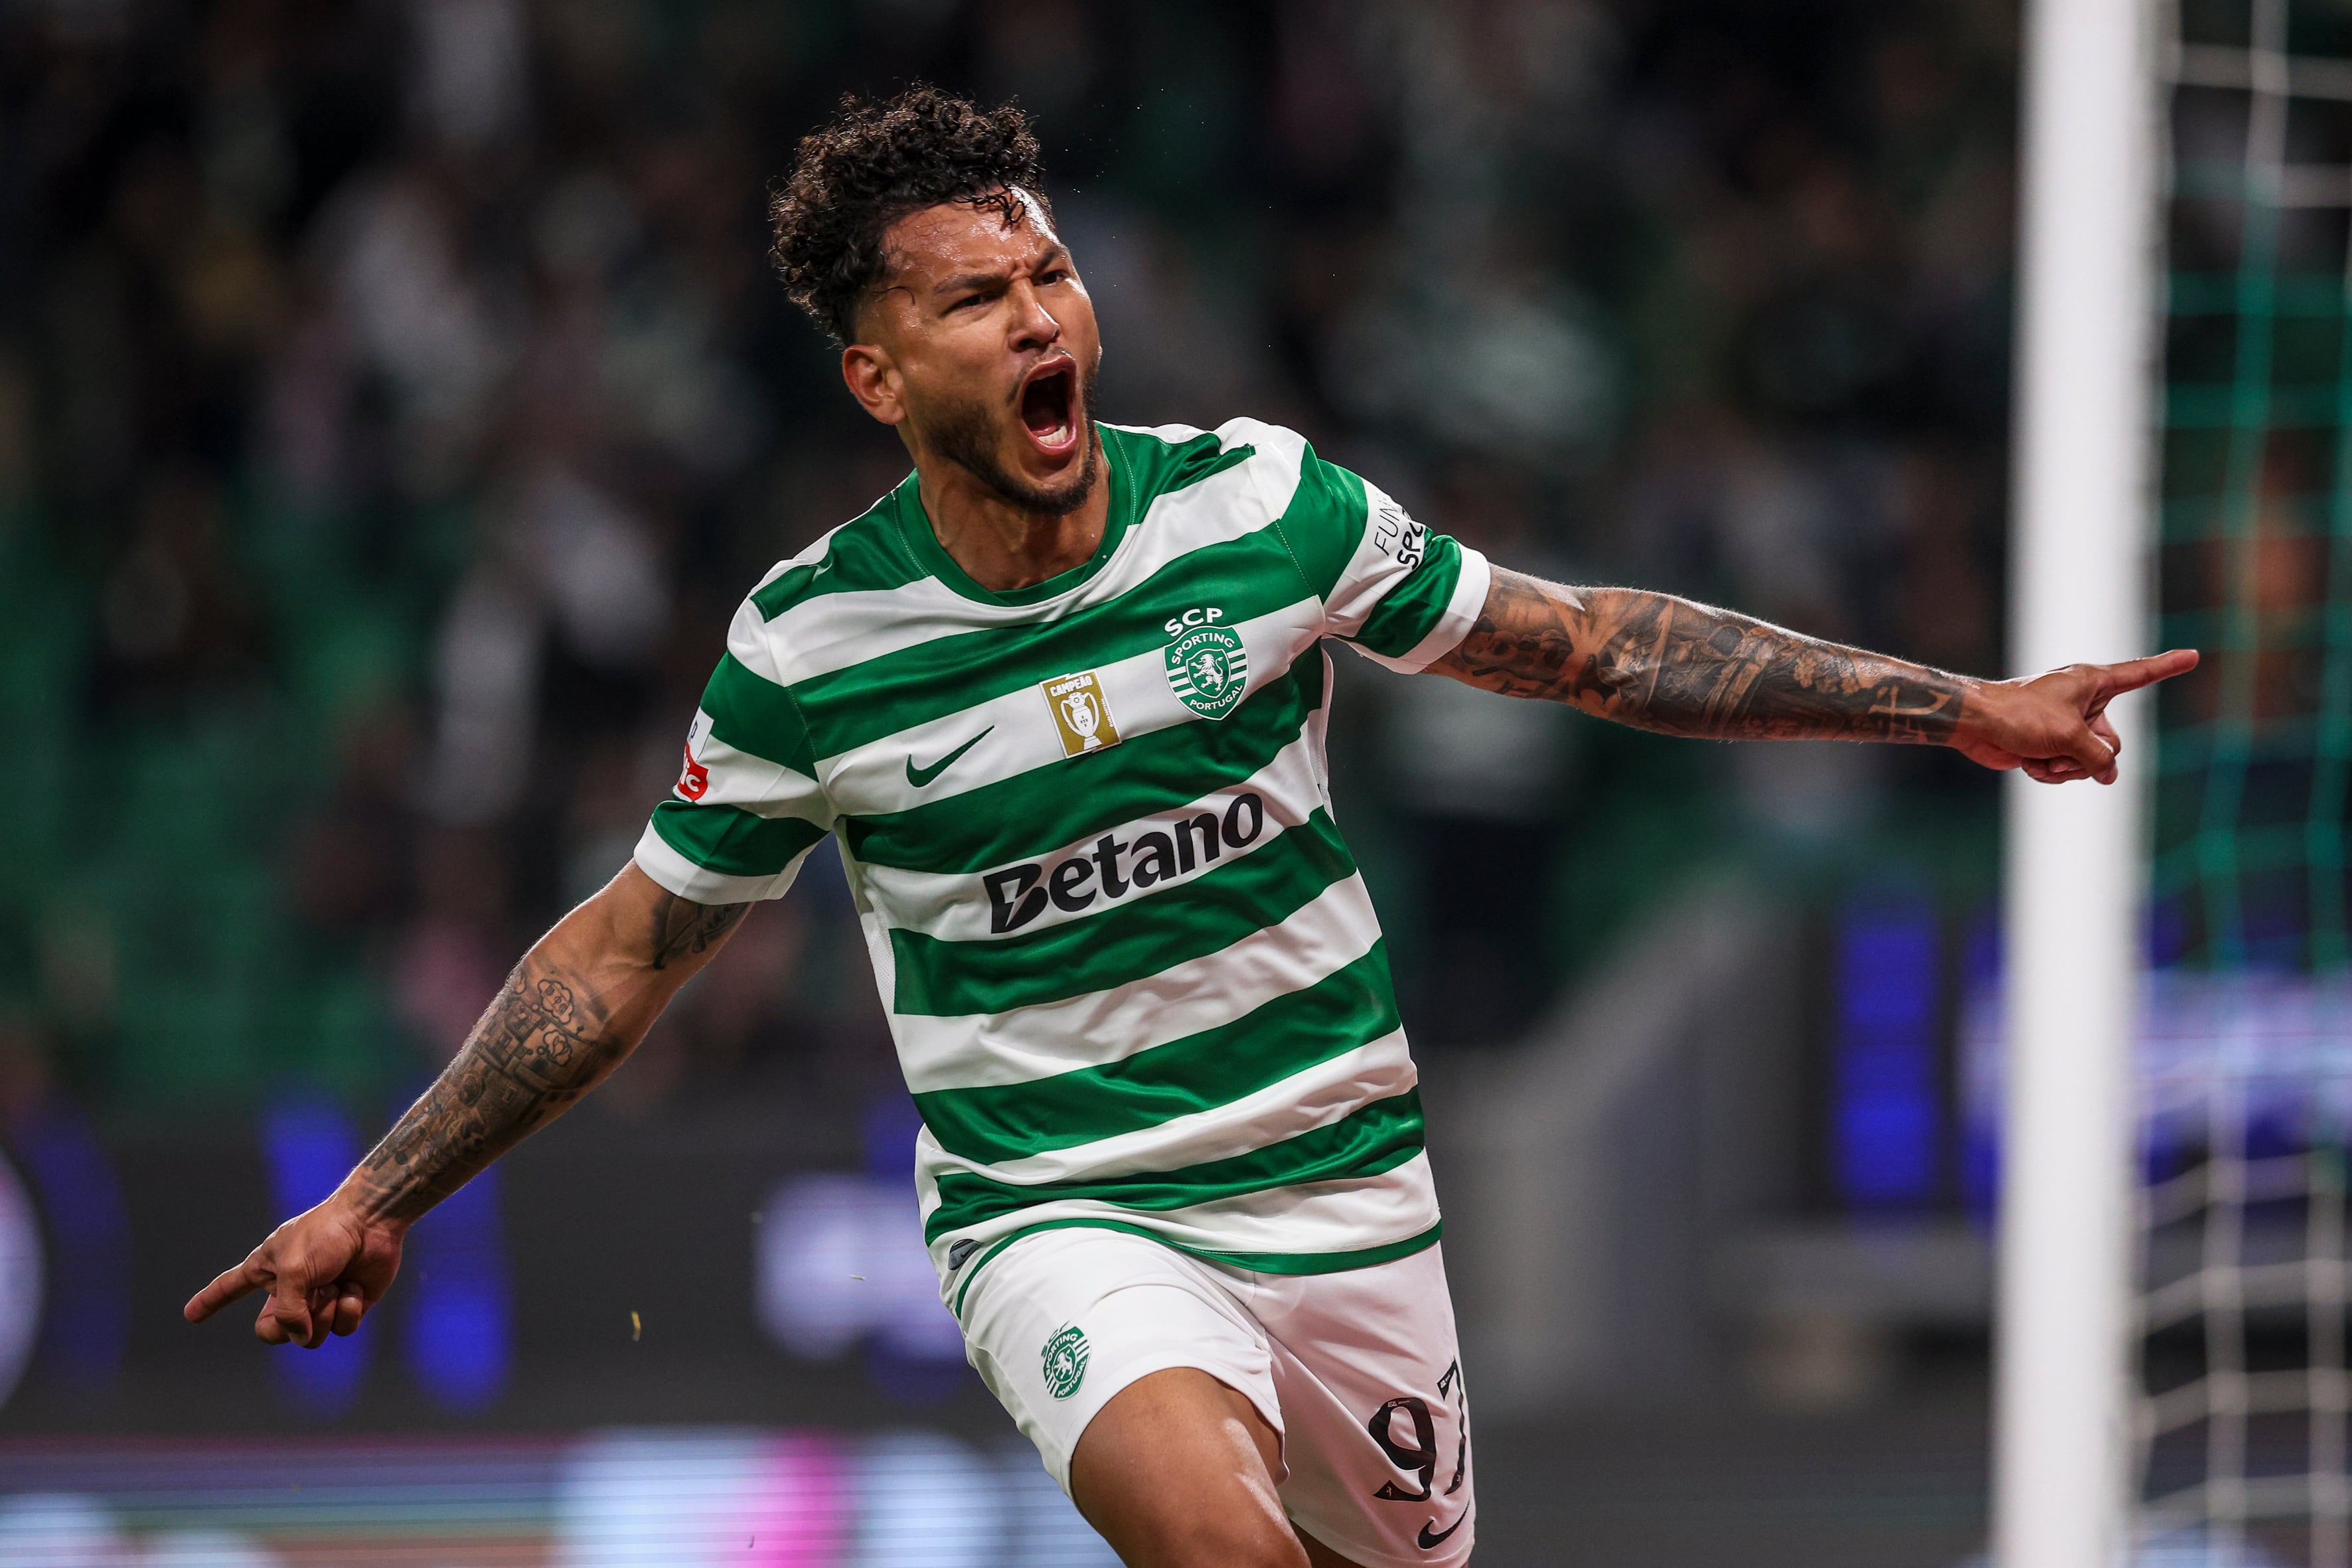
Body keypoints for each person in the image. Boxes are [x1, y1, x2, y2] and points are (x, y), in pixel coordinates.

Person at [186, 88, 2196, 1568]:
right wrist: (382, 1188)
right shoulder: (812, 646)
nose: (1041, 313)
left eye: (1048, 270)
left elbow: (1582, 646)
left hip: (1344, 1191)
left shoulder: (1261, 509)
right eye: (978, 299)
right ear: (881, 373)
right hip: (1065, 1209)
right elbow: (626, 952)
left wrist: (1960, 707)